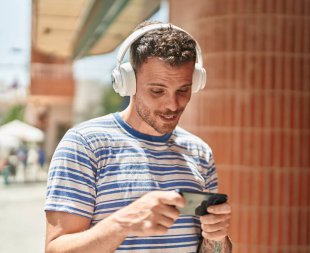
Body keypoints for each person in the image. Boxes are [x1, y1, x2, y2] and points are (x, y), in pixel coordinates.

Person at [45, 21, 232, 253]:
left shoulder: (200, 152)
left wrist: (217, 240)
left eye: (183, 90)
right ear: (128, 82)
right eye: (157, 91)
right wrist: (123, 223)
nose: (172, 104)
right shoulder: (84, 145)